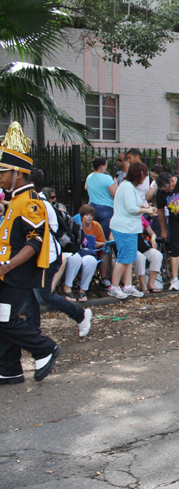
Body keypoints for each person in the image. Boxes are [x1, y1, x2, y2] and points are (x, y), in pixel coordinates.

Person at [0, 123, 63, 384]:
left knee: (4, 319)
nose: (0, 176)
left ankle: (44, 348)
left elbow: (34, 242)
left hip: (18, 274)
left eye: (3, 171)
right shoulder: (15, 199)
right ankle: (10, 368)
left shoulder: (31, 201)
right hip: (9, 273)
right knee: (5, 318)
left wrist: (7, 266)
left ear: (17, 173)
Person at [23, 170, 92, 338]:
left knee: (44, 296)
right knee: (29, 294)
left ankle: (81, 315)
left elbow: (45, 232)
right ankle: (32, 332)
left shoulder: (39, 204)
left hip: (47, 256)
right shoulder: (35, 201)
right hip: (38, 257)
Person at [109, 161, 157, 299]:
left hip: (129, 228)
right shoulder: (127, 187)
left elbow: (136, 204)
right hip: (124, 227)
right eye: (145, 175)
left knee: (129, 258)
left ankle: (128, 286)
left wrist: (147, 208)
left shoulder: (129, 187)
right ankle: (114, 287)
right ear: (140, 174)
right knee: (123, 258)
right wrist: (146, 210)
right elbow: (131, 209)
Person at [85, 156, 117, 240]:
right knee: (104, 237)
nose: (106, 168)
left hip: (92, 207)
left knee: (93, 234)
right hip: (106, 208)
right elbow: (115, 194)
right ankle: (105, 252)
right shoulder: (107, 178)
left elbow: (86, 187)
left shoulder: (89, 177)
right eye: (105, 165)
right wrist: (116, 184)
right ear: (101, 166)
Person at [133, 216, 163, 293]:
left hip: (143, 247)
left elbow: (152, 233)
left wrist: (153, 239)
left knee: (157, 254)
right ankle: (143, 285)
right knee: (140, 257)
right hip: (131, 248)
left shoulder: (141, 218)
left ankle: (151, 283)